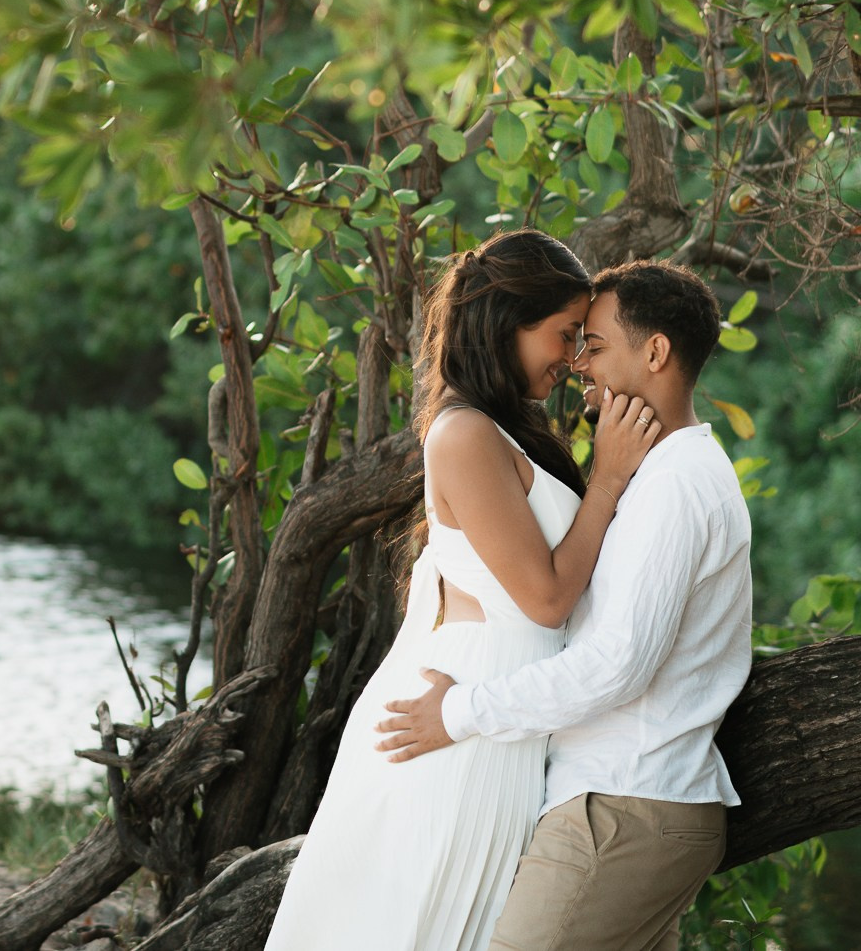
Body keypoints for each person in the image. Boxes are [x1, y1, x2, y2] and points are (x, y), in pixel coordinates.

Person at [261, 230, 663, 951]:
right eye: (564, 334)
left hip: (502, 709)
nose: (573, 357)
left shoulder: (511, 430)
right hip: (465, 722)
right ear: (509, 323)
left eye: (582, 338)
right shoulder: (464, 434)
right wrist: (607, 477)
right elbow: (546, 598)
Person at [377, 259, 753, 951]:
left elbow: (616, 664)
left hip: (623, 806)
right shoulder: (659, 475)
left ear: (656, 353)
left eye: (596, 345)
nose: (580, 363)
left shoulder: (675, 484)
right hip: (624, 802)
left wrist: (458, 712)